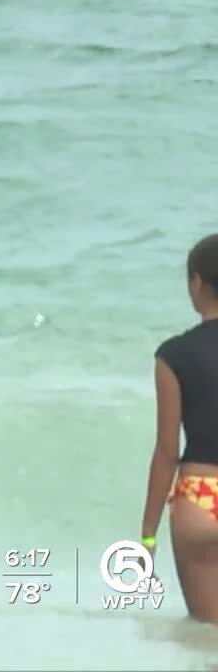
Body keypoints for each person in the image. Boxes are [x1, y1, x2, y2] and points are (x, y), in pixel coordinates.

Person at [140, 232, 218, 624]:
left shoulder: (173, 355)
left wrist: (147, 536)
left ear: (196, 282)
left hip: (200, 499)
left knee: (208, 639)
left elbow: (167, 451)